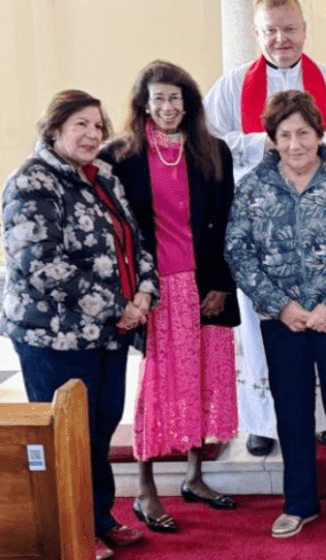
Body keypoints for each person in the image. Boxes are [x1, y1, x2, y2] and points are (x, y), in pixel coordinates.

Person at [204, 0, 326, 456]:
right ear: (257, 34)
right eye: (271, 31)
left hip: (323, 234)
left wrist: (317, 144)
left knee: (321, 321)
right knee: (265, 326)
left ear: (304, 30)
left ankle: (320, 420)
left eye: (289, 29)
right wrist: (264, 143)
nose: (281, 39)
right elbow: (208, 142)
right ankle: (263, 421)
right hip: (262, 231)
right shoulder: (233, 85)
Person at [2, 89, 158, 560]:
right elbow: (41, 265)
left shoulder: (103, 176)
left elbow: (136, 239)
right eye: (81, 125)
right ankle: (69, 530)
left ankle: (100, 517)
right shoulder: (32, 182)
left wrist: (146, 291)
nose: (93, 134)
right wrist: (120, 306)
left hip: (108, 333)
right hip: (54, 335)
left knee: (100, 426)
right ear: (54, 129)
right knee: (65, 435)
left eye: (98, 126)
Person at [225, 90, 326, 539]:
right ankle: (299, 502)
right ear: (271, 139)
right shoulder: (253, 187)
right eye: (285, 135)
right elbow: (239, 250)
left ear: (319, 134)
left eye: (304, 133)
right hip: (283, 320)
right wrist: (281, 306)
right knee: (291, 411)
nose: (295, 144)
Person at [103, 60, 241, 533]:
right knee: (158, 388)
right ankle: (144, 489)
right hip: (154, 288)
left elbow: (226, 222)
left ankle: (194, 476)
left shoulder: (213, 151)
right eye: (158, 98)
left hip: (204, 285)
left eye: (175, 98)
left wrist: (222, 283)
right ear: (143, 102)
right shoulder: (120, 155)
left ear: (189, 103)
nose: (167, 107)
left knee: (202, 381)